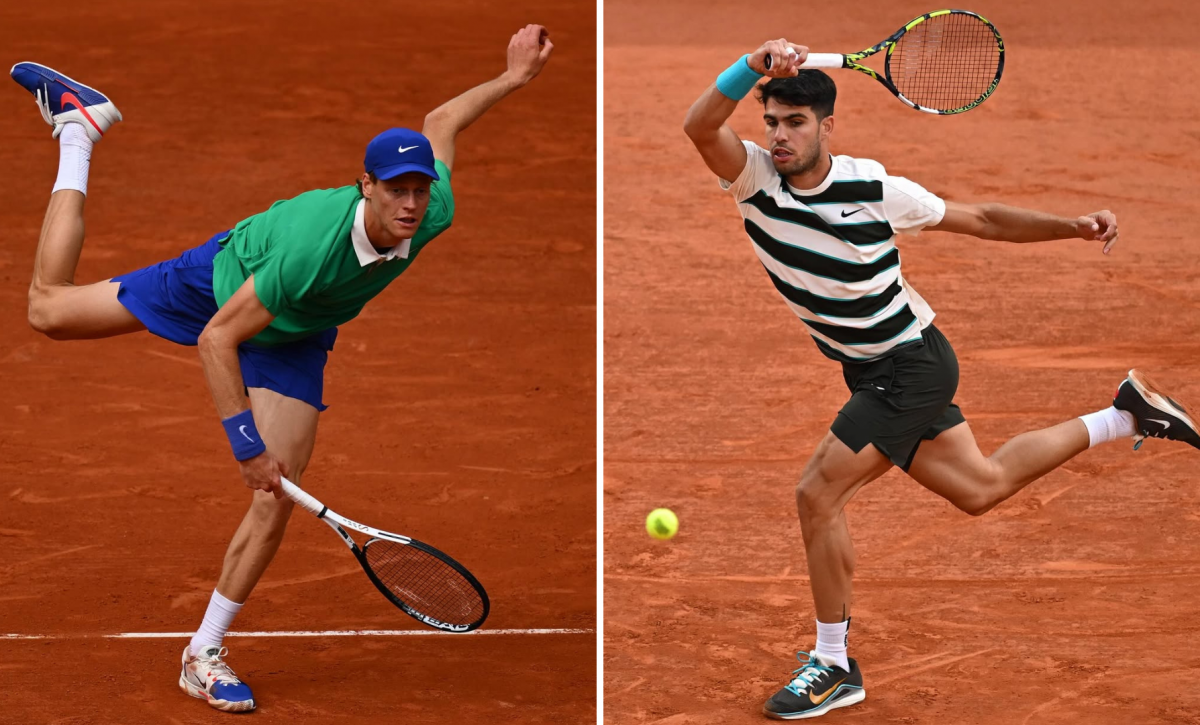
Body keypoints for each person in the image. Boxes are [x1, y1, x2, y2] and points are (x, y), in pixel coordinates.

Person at [10, 23, 554, 714]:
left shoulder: (434, 209)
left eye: (418, 187)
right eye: (395, 190)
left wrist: (512, 78)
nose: (410, 203)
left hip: (298, 332)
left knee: (278, 492)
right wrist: (246, 443)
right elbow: (217, 339)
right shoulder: (308, 250)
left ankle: (202, 651)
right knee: (47, 312)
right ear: (367, 187)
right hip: (225, 285)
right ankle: (77, 130)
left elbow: (441, 120)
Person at [683, 39, 1199, 720]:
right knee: (980, 487)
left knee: (817, 494)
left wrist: (1071, 226)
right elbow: (700, 125)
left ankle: (834, 664)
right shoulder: (751, 178)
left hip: (910, 365)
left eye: (796, 123)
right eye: (773, 122)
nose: (781, 136)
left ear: (827, 126)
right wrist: (751, 65)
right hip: (871, 368)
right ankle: (1127, 415)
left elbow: (981, 218)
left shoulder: (873, 188)